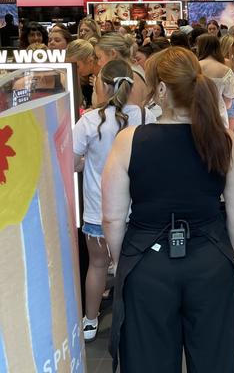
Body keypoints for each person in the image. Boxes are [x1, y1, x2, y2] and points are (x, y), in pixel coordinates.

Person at [102, 47, 234, 372]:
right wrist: (229, 251)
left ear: (163, 90)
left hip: (147, 263)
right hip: (210, 259)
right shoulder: (224, 140)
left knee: (147, 361)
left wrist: (121, 259)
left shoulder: (129, 140)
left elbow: (112, 217)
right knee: (214, 361)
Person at [73, 60, 156, 342]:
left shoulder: (89, 120)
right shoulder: (145, 116)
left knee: (97, 265)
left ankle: (90, 321)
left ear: (104, 85)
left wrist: (88, 164)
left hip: (98, 208)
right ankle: (136, 320)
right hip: (138, 209)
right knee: (135, 267)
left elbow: (72, 162)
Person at [95, 33, 148, 106]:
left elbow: (134, 113)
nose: (98, 63)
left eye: (99, 57)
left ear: (113, 53)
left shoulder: (132, 76)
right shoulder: (130, 72)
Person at [197, 34, 234, 129]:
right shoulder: (226, 70)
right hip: (219, 117)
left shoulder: (193, 66)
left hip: (195, 116)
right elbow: (228, 102)